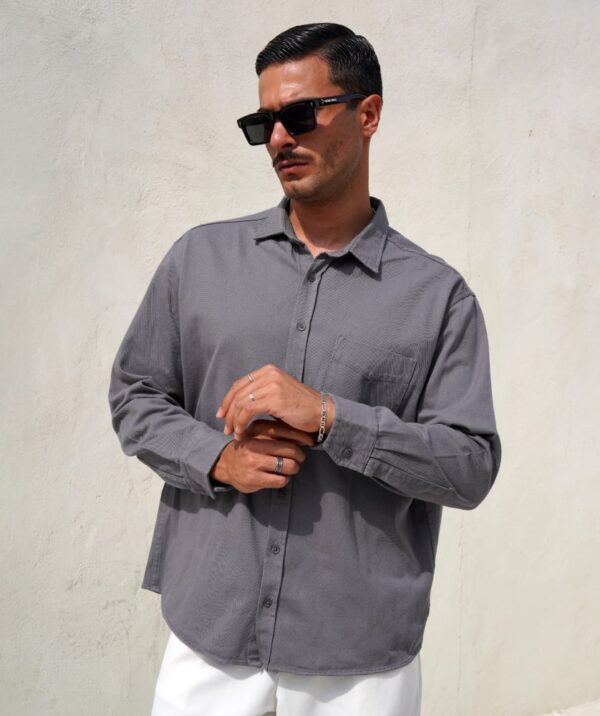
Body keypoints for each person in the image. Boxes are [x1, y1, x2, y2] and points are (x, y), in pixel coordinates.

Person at [108, 22, 501, 716]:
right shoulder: (199, 260)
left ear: (368, 114)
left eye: (300, 114)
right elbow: (135, 395)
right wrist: (218, 458)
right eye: (264, 123)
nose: (280, 139)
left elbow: (469, 466)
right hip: (211, 635)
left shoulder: (437, 297)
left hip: (357, 658)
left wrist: (330, 418)